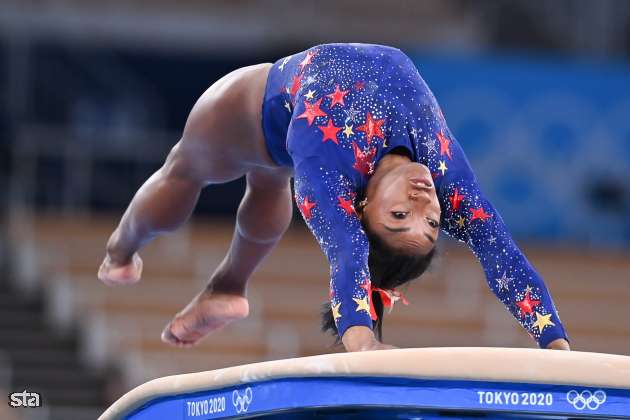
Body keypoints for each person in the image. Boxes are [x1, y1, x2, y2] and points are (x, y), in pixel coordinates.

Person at [98, 43, 570, 353]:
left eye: (400, 215)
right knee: (267, 180)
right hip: (293, 128)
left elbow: (348, 255)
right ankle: (226, 287)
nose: (423, 204)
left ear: (360, 208)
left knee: (184, 170)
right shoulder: (446, 176)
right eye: (431, 223)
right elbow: (502, 254)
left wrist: (361, 339)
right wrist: (555, 343)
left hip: (245, 114)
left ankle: (122, 250)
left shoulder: (329, 176)